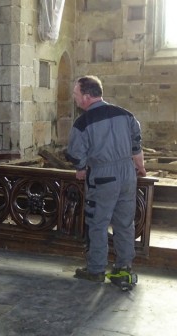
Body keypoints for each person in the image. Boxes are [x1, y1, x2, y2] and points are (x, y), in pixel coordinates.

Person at [66, 75, 146, 283]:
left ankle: (96, 269)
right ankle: (123, 270)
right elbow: (136, 147)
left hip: (103, 175)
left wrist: (81, 168)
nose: (75, 99)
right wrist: (140, 168)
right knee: (124, 223)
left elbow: (76, 153)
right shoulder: (125, 114)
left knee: (98, 223)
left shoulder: (83, 122)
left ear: (86, 96)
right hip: (128, 173)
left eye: (76, 95)